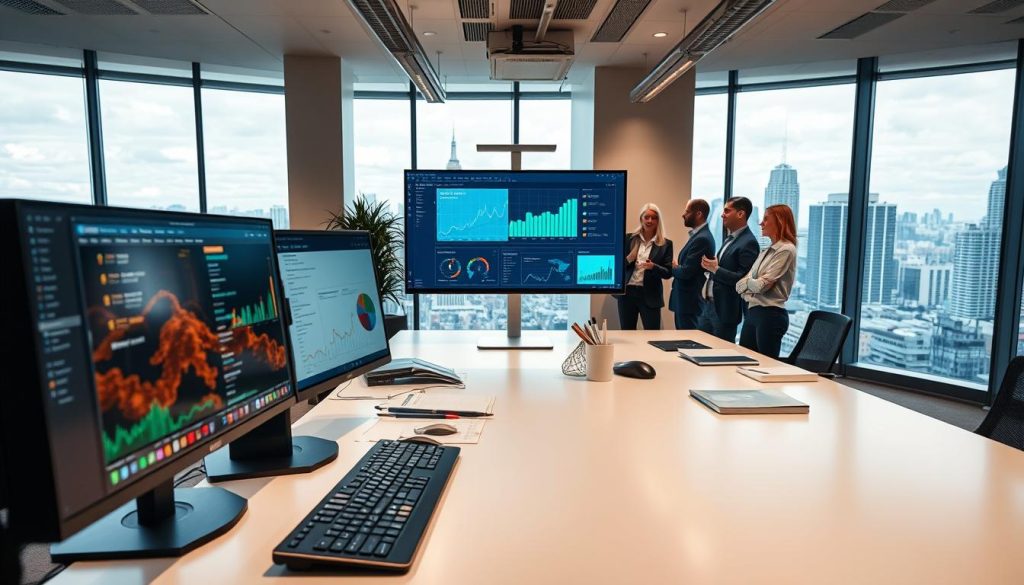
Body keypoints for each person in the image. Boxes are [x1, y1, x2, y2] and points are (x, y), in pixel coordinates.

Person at [736, 204, 797, 359]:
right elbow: (739, 285)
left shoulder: (785, 249)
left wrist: (750, 283)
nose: (761, 223)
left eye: (765, 219)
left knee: (767, 367)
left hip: (770, 316)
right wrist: (752, 283)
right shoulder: (766, 251)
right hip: (753, 312)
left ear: (779, 222)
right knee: (744, 363)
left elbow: (761, 286)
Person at [698, 196, 760, 342]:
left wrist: (716, 269)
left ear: (740, 214)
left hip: (725, 311)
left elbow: (742, 280)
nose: (722, 214)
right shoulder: (729, 238)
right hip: (709, 306)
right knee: (699, 349)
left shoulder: (749, 242)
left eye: (727, 210)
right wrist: (712, 266)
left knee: (721, 356)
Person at [617, 203, 673, 330]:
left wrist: (653, 267)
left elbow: (668, 272)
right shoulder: (628, 239)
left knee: (652, 335)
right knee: (627, 333)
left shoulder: (666, 244)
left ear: (658, 220)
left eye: (654, 218)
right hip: (627, 294)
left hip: (650, 295)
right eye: (646, 217)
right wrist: (629, 259)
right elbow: (616, 267)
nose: (650, 220)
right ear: (641, 218)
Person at [669, 199, 715, 330]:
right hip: (686, 301)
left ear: (699, 214)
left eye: (687, 211)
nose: (683, 215)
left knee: (688, 344)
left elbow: (686, 272)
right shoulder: (699, 236)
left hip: (689, 302)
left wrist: (674, 267)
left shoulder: (702, 238)